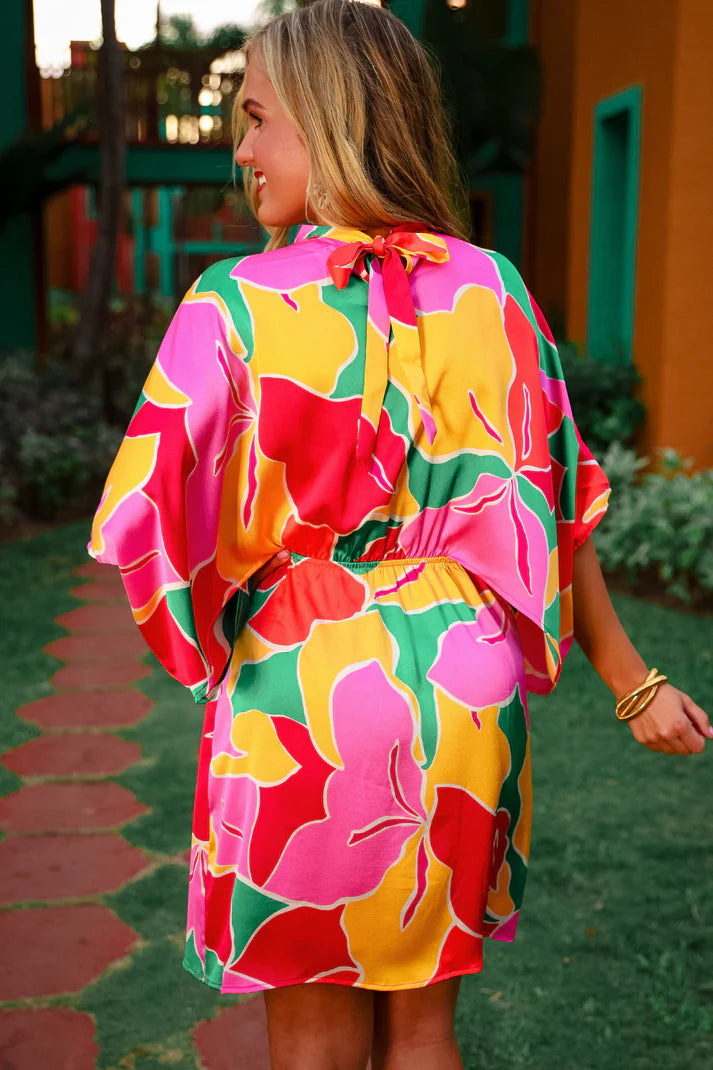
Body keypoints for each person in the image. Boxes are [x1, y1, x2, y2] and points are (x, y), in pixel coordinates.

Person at [88, 2, 711, 1067]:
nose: (240, 149)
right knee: (424, 1028)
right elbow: (552, 504)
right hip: (461, 690)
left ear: (327, 121)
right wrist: (632, 679)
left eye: (253, 118)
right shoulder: (494, 289)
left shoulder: (230, 302)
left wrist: (222, 612)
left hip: (300, 690)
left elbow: (145, 515)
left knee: (313, 1032)